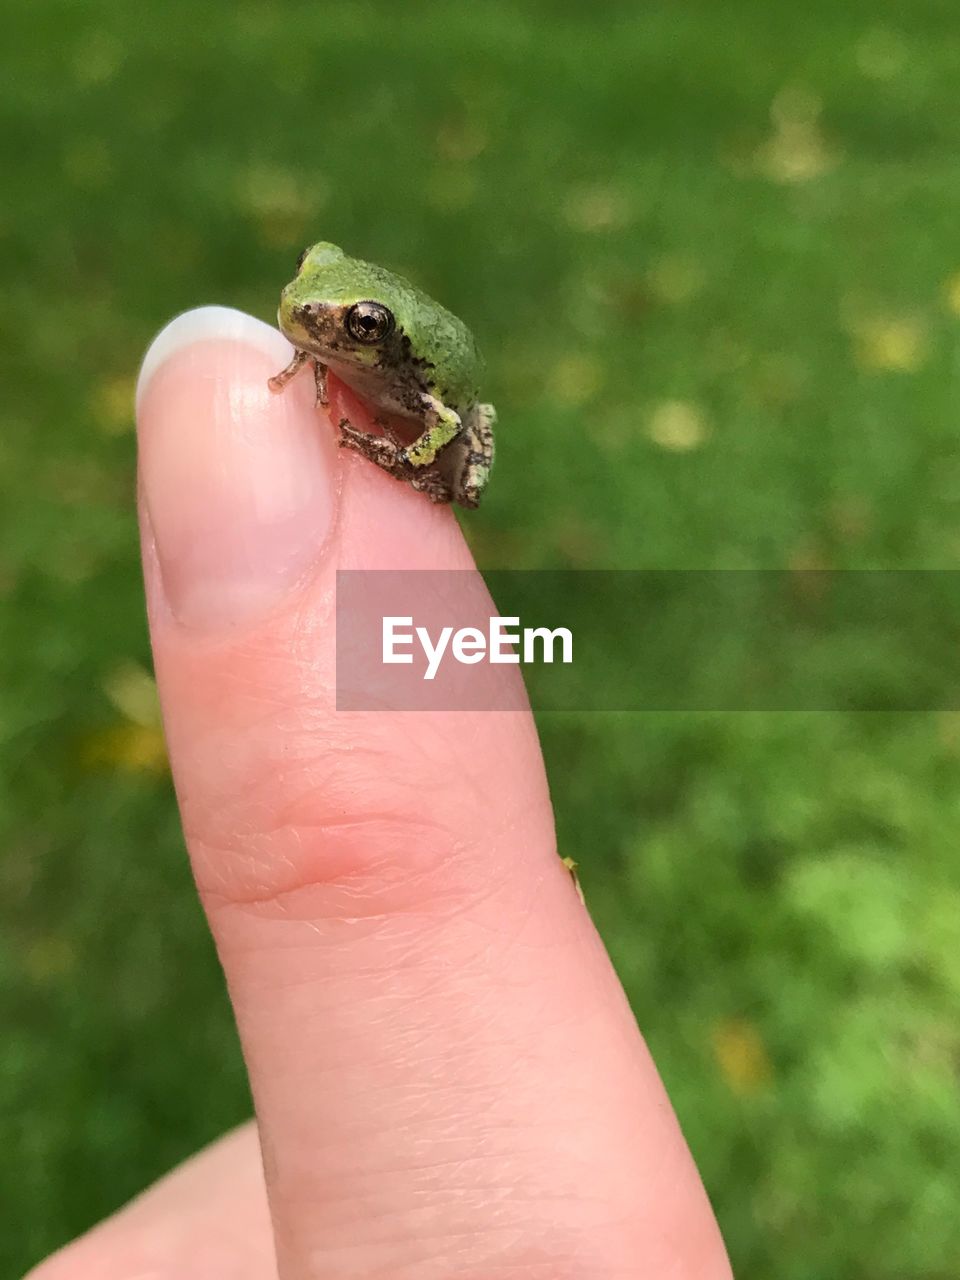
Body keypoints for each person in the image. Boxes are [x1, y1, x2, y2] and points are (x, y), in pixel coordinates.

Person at [29, 308, 733, 1279]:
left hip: (442, 403)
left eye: (348, 322)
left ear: (382, 339)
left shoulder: (420, 377)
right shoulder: (330, 334)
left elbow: (448, 425)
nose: (305, 315)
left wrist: (372, 441)